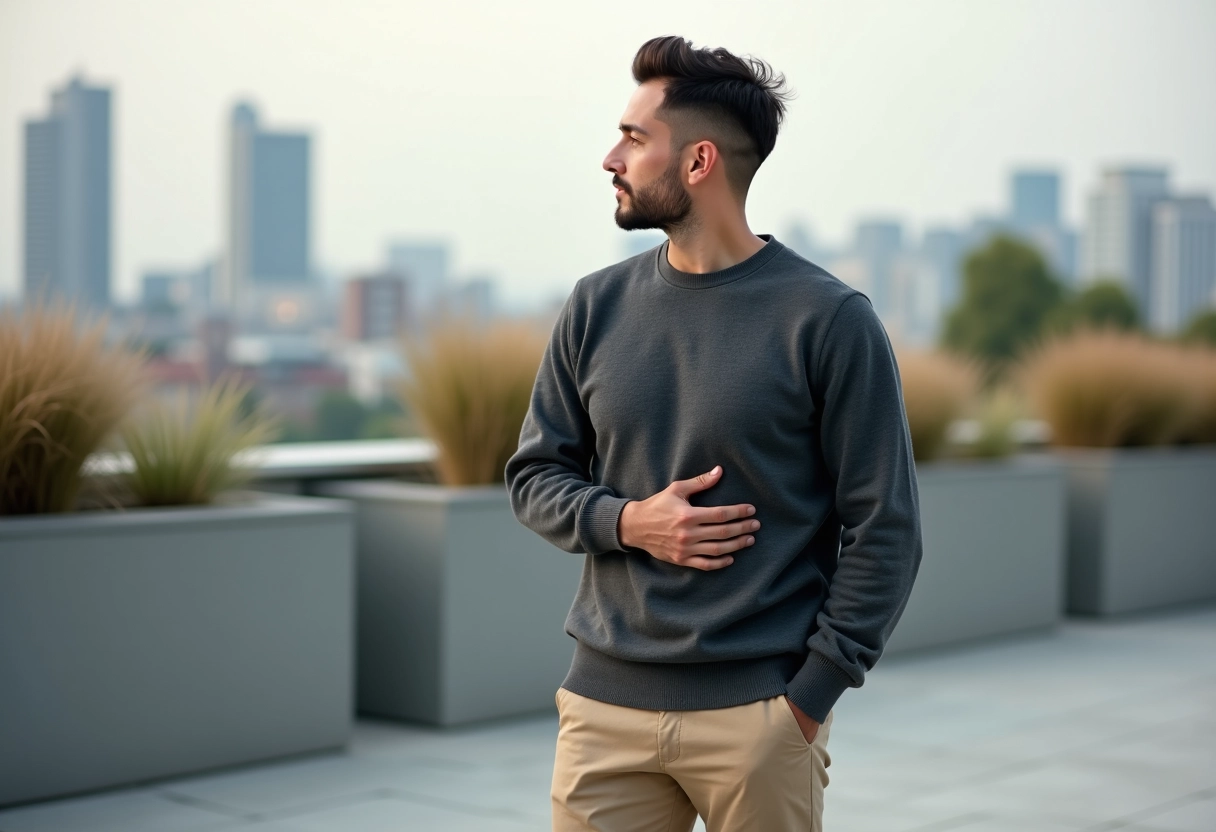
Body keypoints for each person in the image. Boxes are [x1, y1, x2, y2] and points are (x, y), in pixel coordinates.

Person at [505, 34, 922, 832]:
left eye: (634, 139)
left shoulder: (829, 320)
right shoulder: (594, 306)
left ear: (699, 162)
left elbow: (887, 528)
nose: (610, 159)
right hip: (603, 711)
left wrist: (809, 699)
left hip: (760, 718)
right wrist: (630, 521)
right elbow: (534, 476)